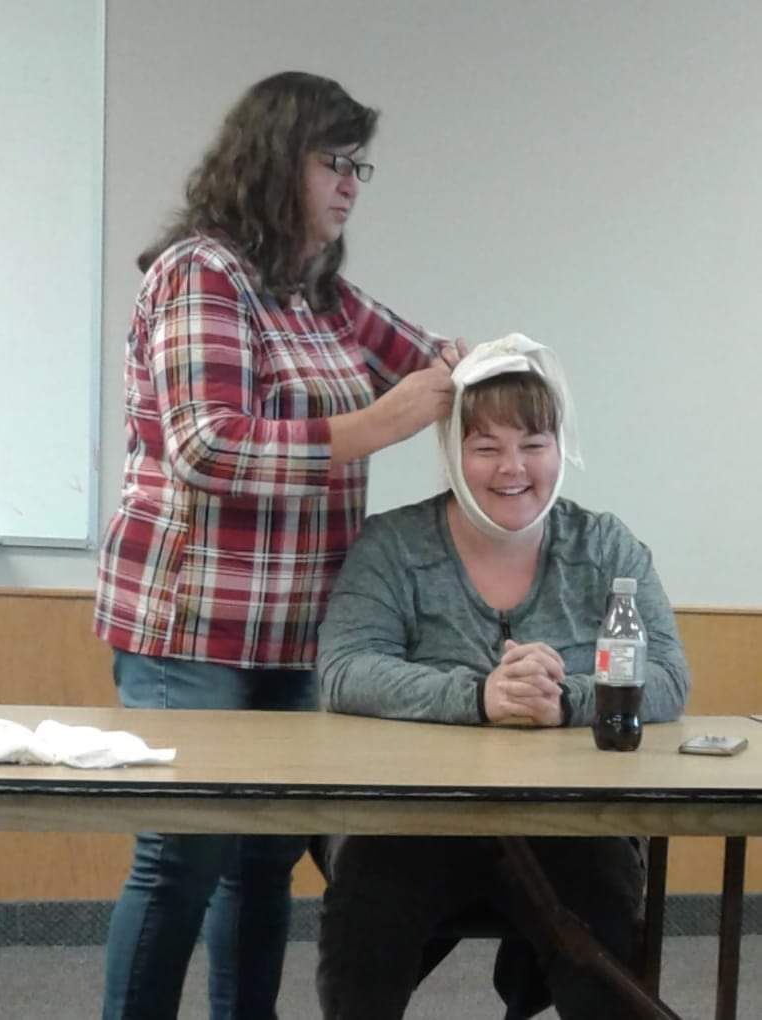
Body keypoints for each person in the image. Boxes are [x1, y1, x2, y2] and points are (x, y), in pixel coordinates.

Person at [93, 71, 464, 1020]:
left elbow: (436, 367)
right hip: (192, 629)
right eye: (331, 161)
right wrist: (375, 426)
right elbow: (206, 445)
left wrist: (495, 370)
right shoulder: (199, 272)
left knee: (261, 866)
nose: (350, 184)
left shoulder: (319, 295)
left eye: (358, 166)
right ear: (271, 161)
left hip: (302, 631)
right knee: (182, 861)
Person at [316, 334, 690, 1020]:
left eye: (533, 443)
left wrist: (564, 700)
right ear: (452, 454)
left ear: (559, 447)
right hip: (413, 818)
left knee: (602, 898)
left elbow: (666, 674)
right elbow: (343, 670)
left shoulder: (604, 545)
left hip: (567, 820)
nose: (511, 468)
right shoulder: (394, 544)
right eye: (485, 447)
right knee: (364, 909)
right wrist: (478, 697)